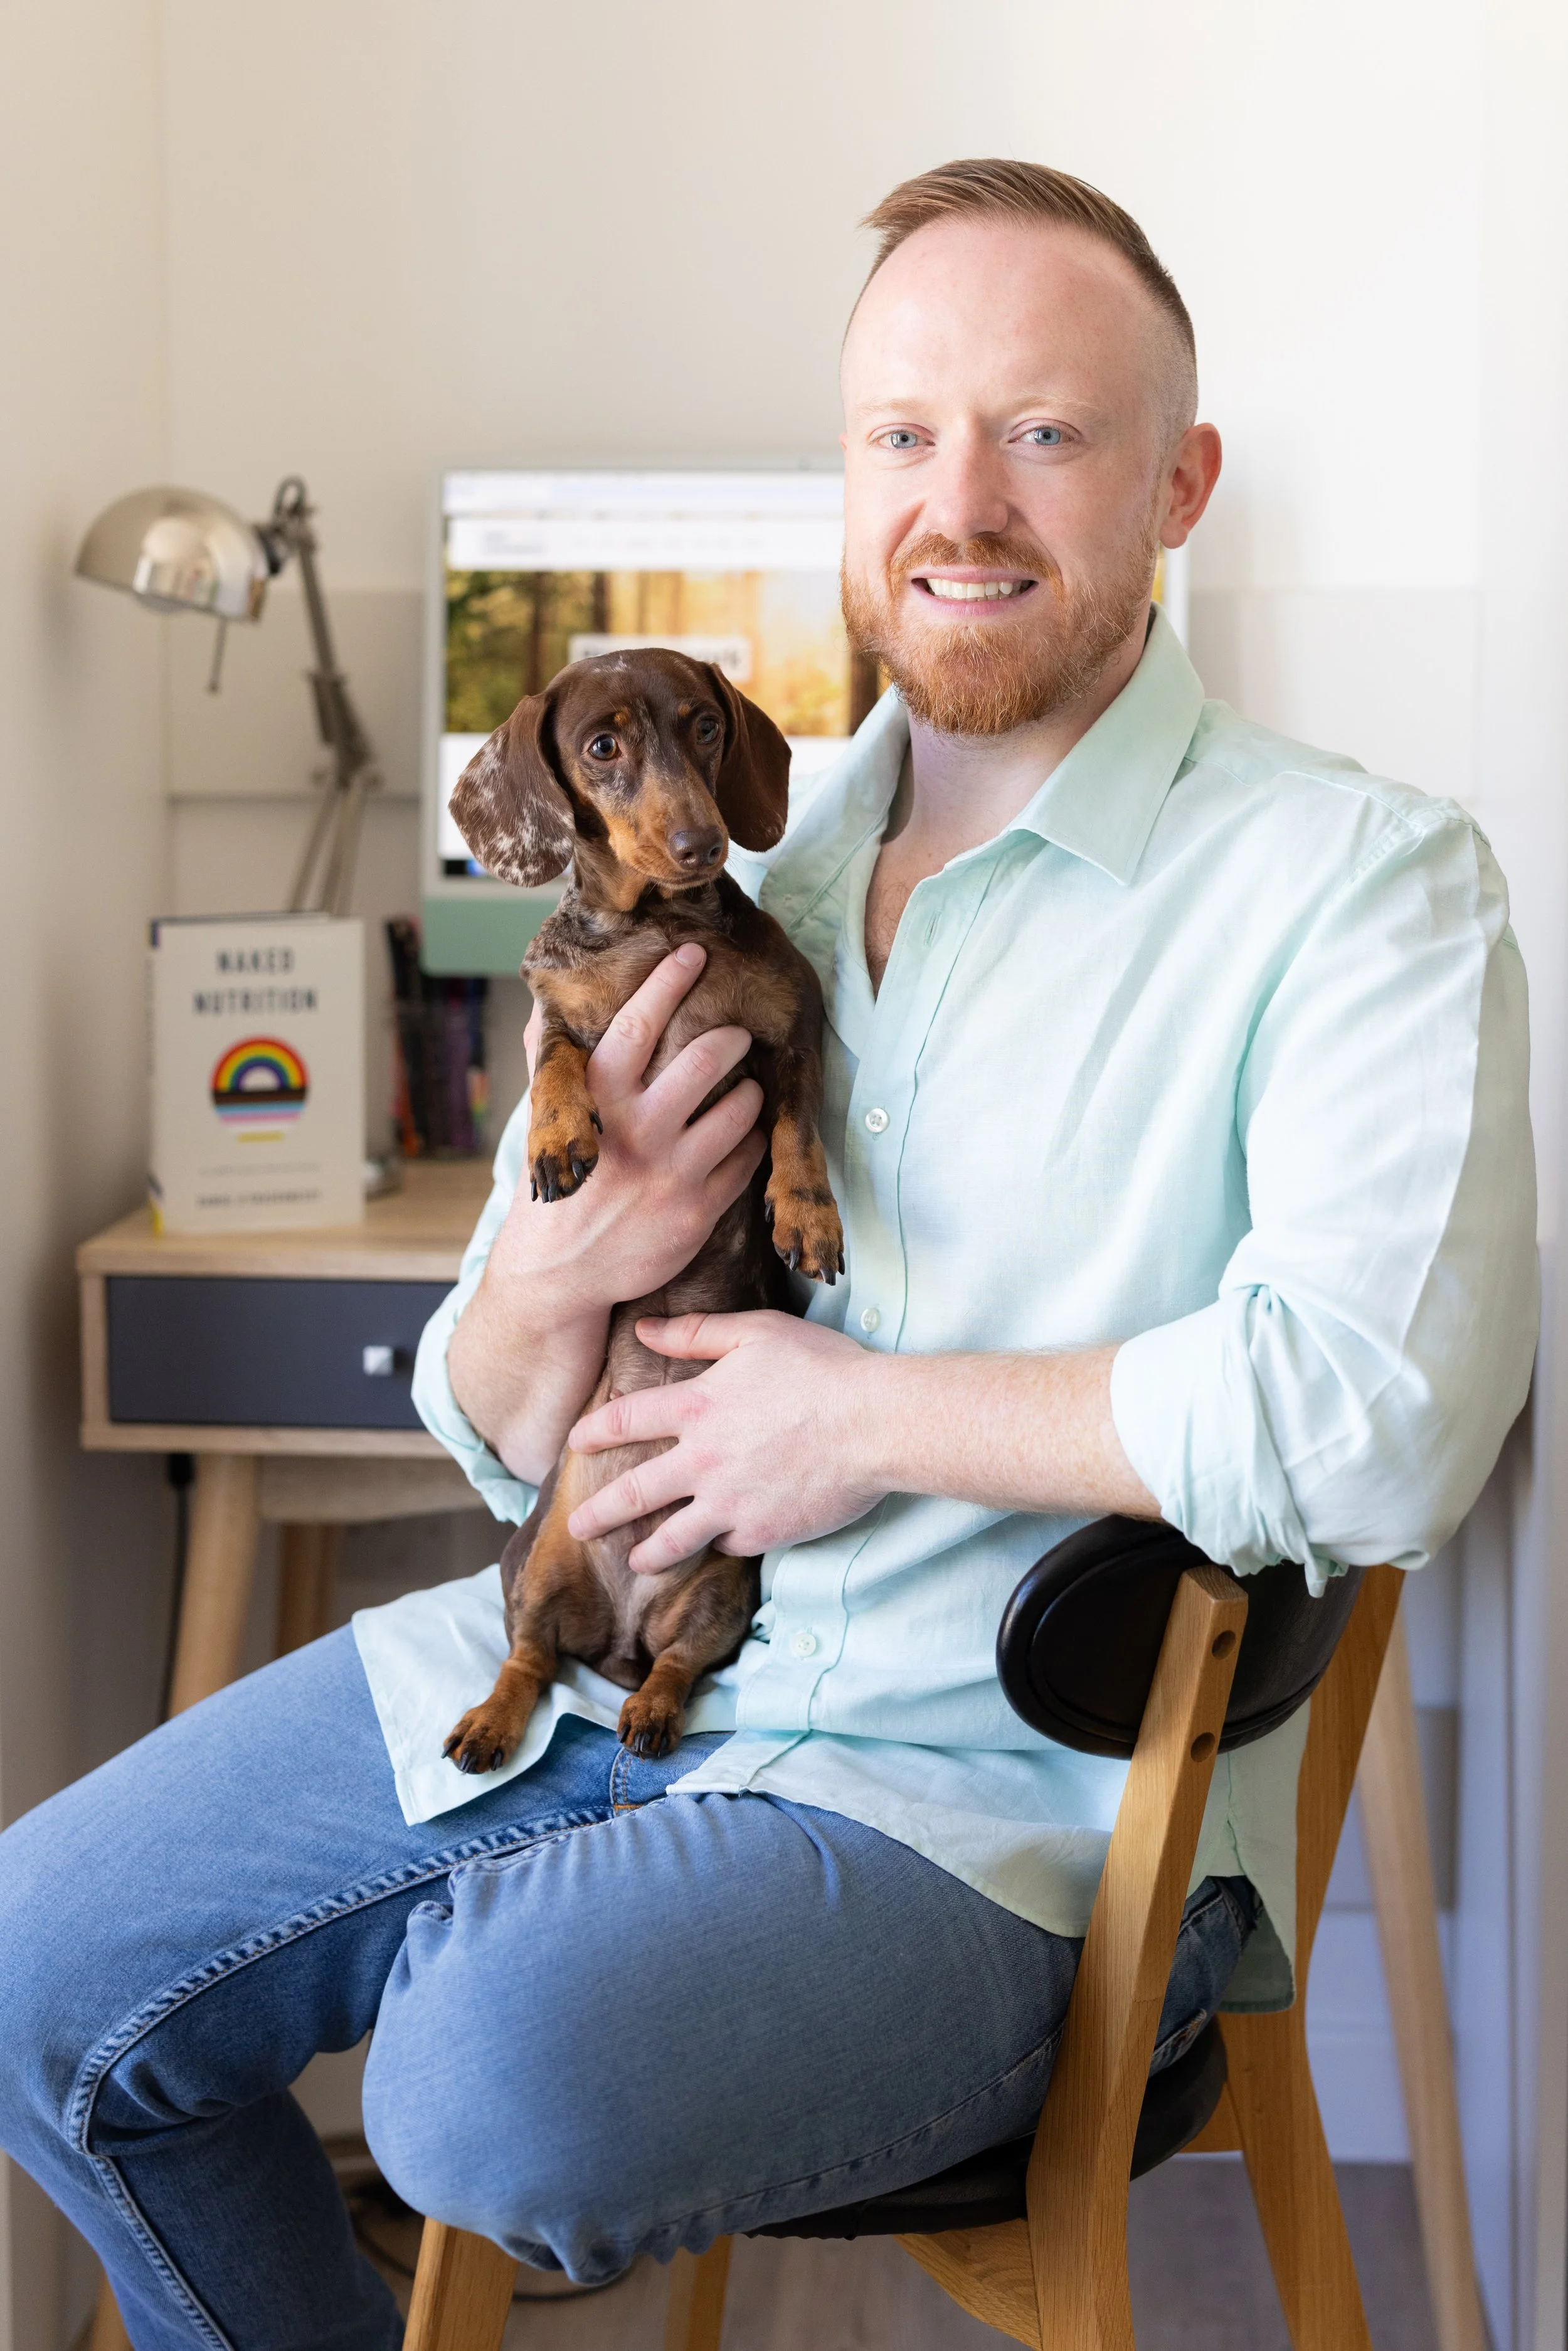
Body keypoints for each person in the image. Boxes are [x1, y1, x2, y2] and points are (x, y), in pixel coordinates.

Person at [0, 161, 1536, 2350]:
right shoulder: (739, 887)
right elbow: (476, 1406)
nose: (961, 499)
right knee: (38, 1959)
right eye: (902, 435)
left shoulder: (1354, 884)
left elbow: (1375, 1424)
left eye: (1045, 430)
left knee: (478, 2082)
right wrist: (550, 1275)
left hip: (989, 1812)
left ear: (1178, 483)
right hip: (593, 1666)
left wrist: (863, 1424)